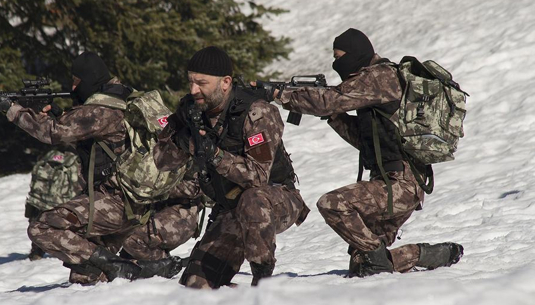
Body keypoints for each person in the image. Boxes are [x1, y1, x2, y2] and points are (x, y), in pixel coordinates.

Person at [0, 51, 193, 284]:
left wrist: (12, 110)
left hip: (114, 204)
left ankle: (122, 266)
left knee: (41, 227)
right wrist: (56, 114)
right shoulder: (126, 97)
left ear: (89, 78)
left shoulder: (99, 109)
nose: (72, 88)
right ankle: (144, 273)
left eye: (76, 81)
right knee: (87, 276)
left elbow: (52, 133)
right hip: (136, 205)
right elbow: (95, 139)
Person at [276, 28, 463, 277]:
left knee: (332, 204)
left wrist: (282, 95)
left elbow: (329, 100)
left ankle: (379, 256)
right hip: (392, 183)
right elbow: (366, 142)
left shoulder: (378, 77)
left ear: (356, 54)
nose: (336, 63)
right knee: (363, 266)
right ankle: (428, 254)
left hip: (400, 185)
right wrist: (335, 118)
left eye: (339, 56)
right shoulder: (376, 82)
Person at [154, 46, 310, 289]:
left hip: (276, 198)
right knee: (195, 286)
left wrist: (215, 155)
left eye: (201, 83)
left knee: (253, 199)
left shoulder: (257, 112)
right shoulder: (191, 110)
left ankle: (263, 280)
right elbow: (161, 161)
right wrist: (184, 143)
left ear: (225, 82)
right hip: (229, 207)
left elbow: (258, 177)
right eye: (191, 82)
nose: (194, 90)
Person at [24, 143, 84, 261]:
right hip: (63, 202)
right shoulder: (76, 159)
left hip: (40, 200)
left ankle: (36, 251)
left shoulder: (50, 155)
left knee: (38, 220)